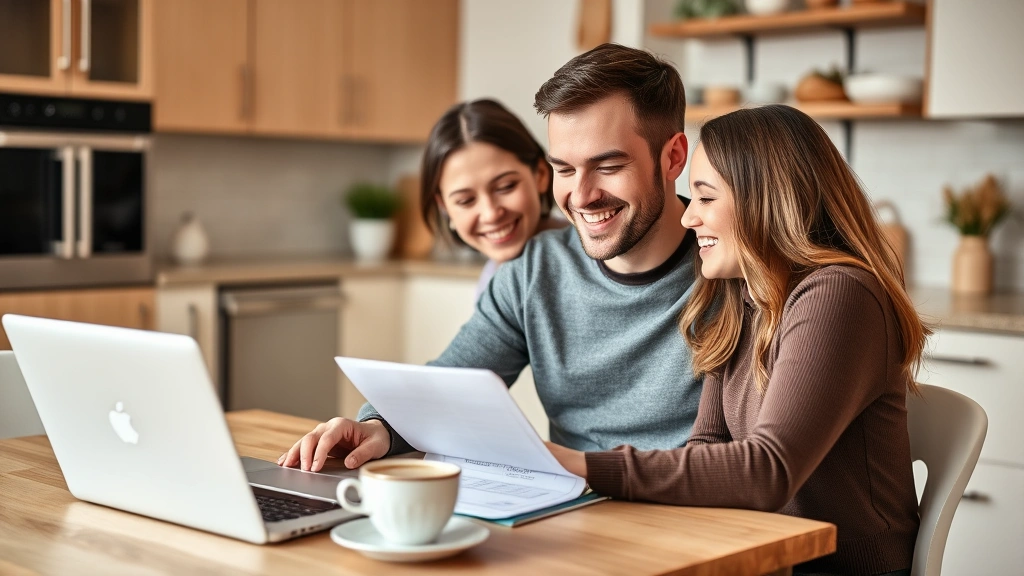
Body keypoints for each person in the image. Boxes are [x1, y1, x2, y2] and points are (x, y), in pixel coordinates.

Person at [278, 43, 701, 474]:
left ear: (673, 157)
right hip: (580, 505)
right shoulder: (533, 272)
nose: (582, 196)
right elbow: (451, 383)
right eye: (566, 170)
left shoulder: (734, 268)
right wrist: (377, 425)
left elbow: (756, 463)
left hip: (695, 516)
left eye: (608, 166)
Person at [546, 105, 926, 576]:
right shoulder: (742, 298)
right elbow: (704, 445)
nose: (689, 219)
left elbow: (769, 471)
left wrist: (583, 465)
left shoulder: (839, 293)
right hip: (761, 557)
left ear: (765, 200)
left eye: (705, 199)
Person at [418, 99, 564, 299]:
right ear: (444, 206)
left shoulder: (595, 254)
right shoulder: (490, 283)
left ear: (540, 175)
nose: (491, 214)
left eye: (506, 187)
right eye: (465, 200)